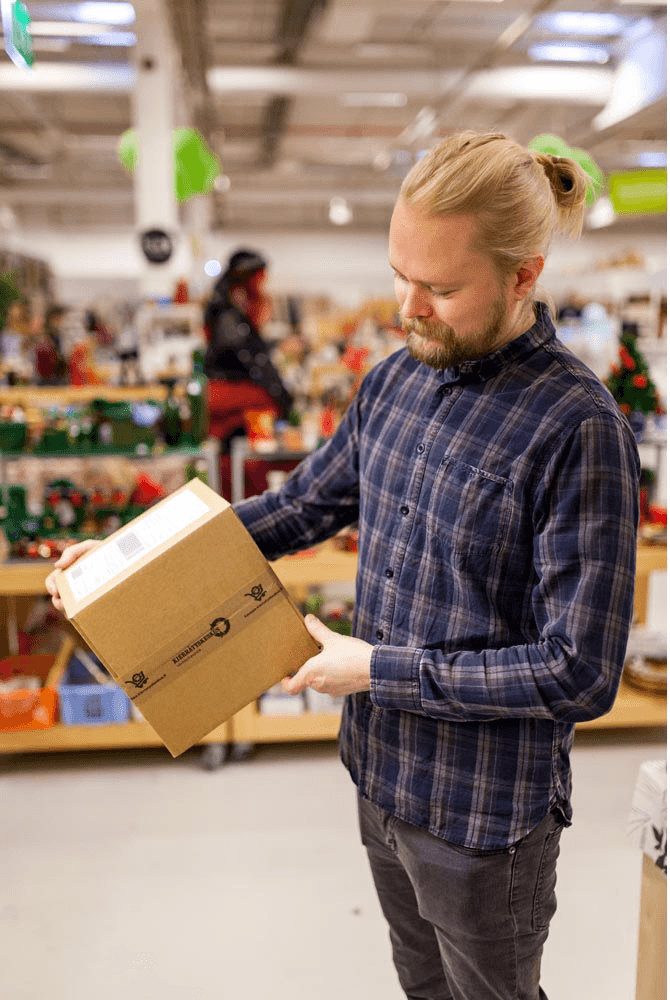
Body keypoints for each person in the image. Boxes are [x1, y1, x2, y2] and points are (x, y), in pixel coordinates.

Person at [46, 131, 640, 1000]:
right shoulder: (395, 381)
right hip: (380, 777)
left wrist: (377, 670)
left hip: (481, 819)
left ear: (524, 275)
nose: (408, 306)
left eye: (439, 287)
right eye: (399, 274)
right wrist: (134, 555)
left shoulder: (578, 428)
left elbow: (580, 672)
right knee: (422, 988)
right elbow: (298, 508)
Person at [203, 248, 293, 447]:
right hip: (232, 394)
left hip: (229, 392)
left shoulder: (228, 310)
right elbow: (247, 357)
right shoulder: (228, 314)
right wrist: (280, 396)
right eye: (260, 280)